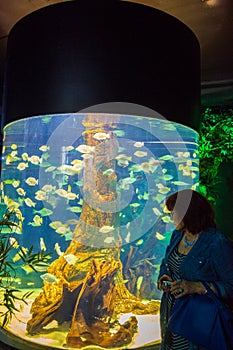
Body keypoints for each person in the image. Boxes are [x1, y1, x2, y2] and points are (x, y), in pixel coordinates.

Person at [157, 189, 233, 350]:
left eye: (174, 214)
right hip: (171, 316)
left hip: (198, 323)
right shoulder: (178, 235)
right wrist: (164, 276)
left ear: (188, 213)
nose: (171, 219)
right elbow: (166, 262)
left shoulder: (216, 243)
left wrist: (197, 287)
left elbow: (231, 286)